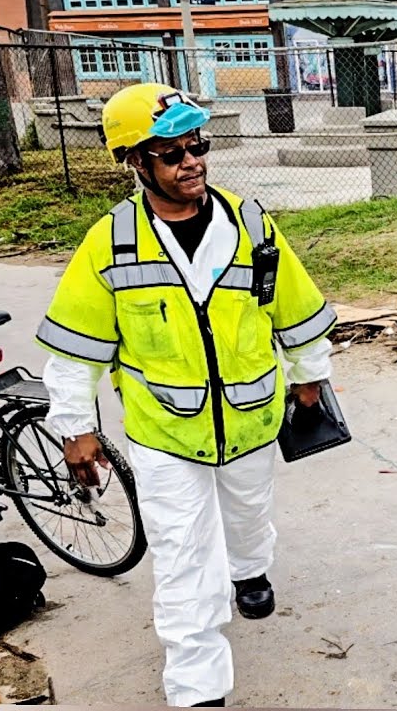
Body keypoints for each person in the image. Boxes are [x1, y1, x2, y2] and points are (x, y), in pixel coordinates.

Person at [36, 83, 336, 707]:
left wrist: (309, 377)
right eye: (171, 153)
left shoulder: (251, 224)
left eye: (197, 144)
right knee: (183, 556)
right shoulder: (111, 244)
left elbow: (297, 309)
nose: (191, 160)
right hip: (165, 436)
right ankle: (198, 686)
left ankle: (249, 570)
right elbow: (72, 351)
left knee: (248, 520)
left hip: (253, 423)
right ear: (135, 163)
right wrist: (76, 430)